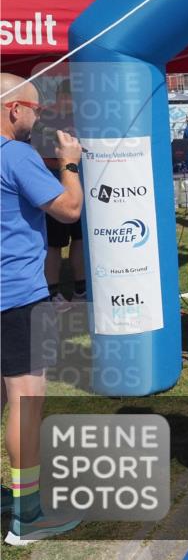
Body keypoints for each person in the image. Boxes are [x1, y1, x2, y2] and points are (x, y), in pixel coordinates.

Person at [1, 73, 84, 543]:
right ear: (15, 109)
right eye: (35, 108)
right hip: (17, 293)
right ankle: (27, 516)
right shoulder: (15, 153)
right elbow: (69, 210)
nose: (39, 117)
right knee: (26, 402)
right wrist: (69, 164)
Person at [38, 83, 85, 302]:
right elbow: (40, 157)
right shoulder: (44, 120)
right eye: (68, 98)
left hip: (79, 188)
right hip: (54, 190)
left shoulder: (81, 119)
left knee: (80, 239)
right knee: (55, 244)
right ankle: (53, 292)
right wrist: (66, 162)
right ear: (60, 96)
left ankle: (81, 289)